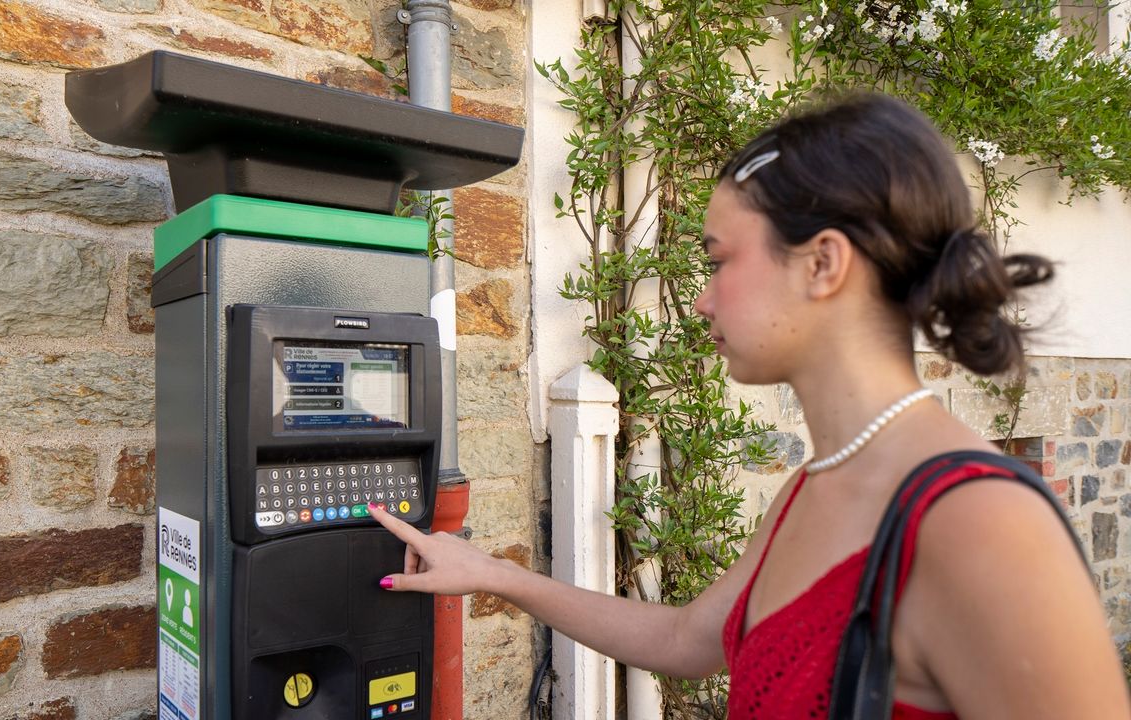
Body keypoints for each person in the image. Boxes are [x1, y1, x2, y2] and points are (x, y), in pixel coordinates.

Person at [367, 92, 1131, 718]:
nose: (699, 300)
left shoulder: (978, 521)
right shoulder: (814, 486)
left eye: (719, 259)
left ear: (823, 263)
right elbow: (687, 638)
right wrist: (494, 575)